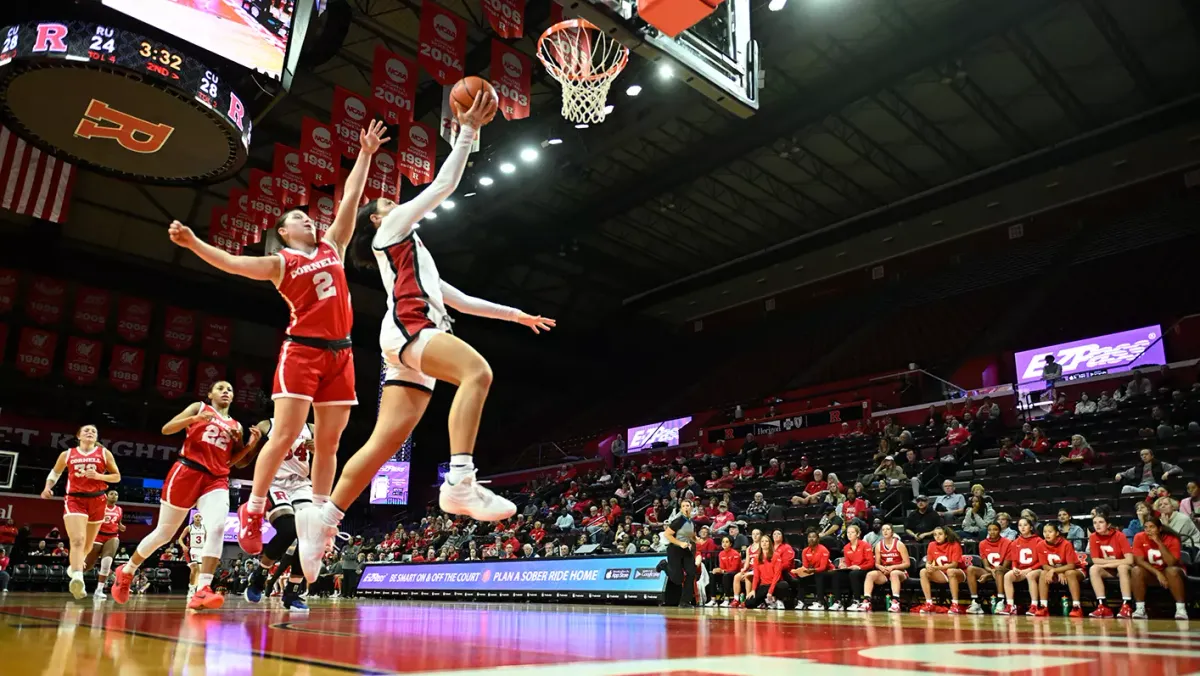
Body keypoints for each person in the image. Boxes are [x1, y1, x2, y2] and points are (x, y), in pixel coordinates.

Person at [295, 98, 560, 581]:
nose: (396, 204)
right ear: (377, 218)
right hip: (411, 329)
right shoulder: (391, 230)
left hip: (405, 340)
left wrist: (517, 316)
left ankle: (324, 521)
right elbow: (443, 184)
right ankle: (460, 479)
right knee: (477, 373)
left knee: (383, 442)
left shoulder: (414, 251)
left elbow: (459, 300)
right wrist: (466, 131)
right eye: (387, 203)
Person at [167, 128, 389, 558]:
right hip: (302, 351)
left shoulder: (333, 245)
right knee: (285, 433)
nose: (308, 219)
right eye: (298, 219)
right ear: (285, 233)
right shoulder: (279, 263)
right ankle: (253, 509)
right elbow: (230, 263)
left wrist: (365, 155)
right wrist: (194, 242)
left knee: (330, 443)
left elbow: (350, 200)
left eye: (309, 217)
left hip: (341, 354)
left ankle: (322, 519)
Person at [110, 382, 250, 609]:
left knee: (216, 528)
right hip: (187, 470)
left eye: (230, 390)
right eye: (221, 388)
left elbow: (235, 461)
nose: (226, 392)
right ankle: (126, 571)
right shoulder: (199, 407)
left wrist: (245, 443)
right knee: (164, 533)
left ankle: (203, 588)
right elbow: (167, 428)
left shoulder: (236, 425)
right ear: (210, 394)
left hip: (216, 478)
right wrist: (194, 420)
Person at [233, 413, 319, 611]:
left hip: (301, 484)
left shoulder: (313, 428)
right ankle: (258, 579)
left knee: (309, 535)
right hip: (274, 483)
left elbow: (329, 455)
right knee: (289, 530)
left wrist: (319, 449)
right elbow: (241, 463)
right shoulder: (267, 424)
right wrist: (252, 443)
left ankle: (292, 593)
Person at [40, 424, 122, 600]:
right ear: (78, 435)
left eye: (94, 431)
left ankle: (74, 568)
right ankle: (78, 578)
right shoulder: (67, 454)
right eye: (86, 430)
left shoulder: (104, 453)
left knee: (88, 545)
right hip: (75, 499)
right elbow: (55, 473)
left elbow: (117, 476)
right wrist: (47, 487)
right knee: (78, 540)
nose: (90, 432)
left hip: (98, 499)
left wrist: (99, 476)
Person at [1130, 516, 1188, 619]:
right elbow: (1139, 561)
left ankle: (1181, 609)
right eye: (1146, 527)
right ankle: (1140, 609)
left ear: (1160, 529)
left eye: (1152, 527)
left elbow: (1171, 563)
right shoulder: (1139, 537)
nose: (1148, 530)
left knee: (1171, 571)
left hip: (1172, 573)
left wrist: (1158, 542)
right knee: (1136, 570)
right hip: (1152, 573)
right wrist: (1158, 573)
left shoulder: (1172, 539)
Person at [1087, 512, 1134, 618]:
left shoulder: (1119, 536)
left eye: (1101, 522)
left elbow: (1130, 560)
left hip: (1123, 568)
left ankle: (1127, 606)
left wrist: (1110, 564)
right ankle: (1102, 606)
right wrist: (1110, 564)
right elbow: (1095, 560)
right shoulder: (1093, 537)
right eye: (1094, 523)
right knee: (1094, 569)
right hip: (1110, 568)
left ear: (1108, 525)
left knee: (1122, 568)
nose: (1097, 525)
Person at [81, 489, 124, 599]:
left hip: (112, 536)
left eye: (116, 494)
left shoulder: (119, 509)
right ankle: (77, 580)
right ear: (107, 496)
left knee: (107, 563)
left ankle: (99, 590)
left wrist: (121, 526)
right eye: (112, 494)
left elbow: (119, 523)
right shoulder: (99, 507)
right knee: (88, 565)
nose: (114, 496)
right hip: (97, 535)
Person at [1036, 522, 1084, 617]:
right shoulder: (1040, 545)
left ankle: (1077, 607)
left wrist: (1055, 571)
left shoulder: (1066, 544)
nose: (1047, 534)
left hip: (1076, 571)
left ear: (1057, 533)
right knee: (1043, 573)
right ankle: (1043, 606)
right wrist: (1057, 572)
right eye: (1045, 532)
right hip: (1056, 571)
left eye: (1050, 531)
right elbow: (1045, 566)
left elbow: (1071, 566)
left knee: (1070, 573)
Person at [862, 524, 911, 612]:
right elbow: (877, 563)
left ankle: (896, 602)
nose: (885, 531)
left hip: (900, 572)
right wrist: (880, 567)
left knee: (894, 573)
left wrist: (893, 567)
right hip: (885, 572)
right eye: (883, 529)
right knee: (870, 574)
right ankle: (867, 601)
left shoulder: (899, 544)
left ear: (892, 532)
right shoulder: (878, 545)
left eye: (888, 529)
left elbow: (907, 563)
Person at [999, 517, 1043, 616]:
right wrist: (1014, 568)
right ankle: (1010, 605)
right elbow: (1014, 560)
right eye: (1020, 525)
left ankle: (1034, 605)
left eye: (1025, 525)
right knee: (1007, 576)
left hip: (1036, 569)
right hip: (1021, 570)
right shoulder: (1015, 542)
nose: (1022, 527)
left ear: (1031, 527)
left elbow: (1041, 561)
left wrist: (1029, 569)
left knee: (1030, 575)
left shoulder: (1038, 540)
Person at [965, 522, 1010, 614]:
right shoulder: (982, 543)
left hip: (1004, 570)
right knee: (970, 569)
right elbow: (986, 566)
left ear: (1000, 531)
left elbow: (1006, 566)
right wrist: (990, 572)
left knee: (999, 569)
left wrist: (988, 575)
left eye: (995, 529)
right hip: (990, 570)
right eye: (989, 530)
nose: (992, 532)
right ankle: (975, 602)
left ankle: (1000, 601)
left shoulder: (1007, 542)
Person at [663, 498, 698, 608]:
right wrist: (680, 543)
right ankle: (663, 565)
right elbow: (667, 535)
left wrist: (697, 540)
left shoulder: (691, 522)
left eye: (688, 505)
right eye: (683, 506)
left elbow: (692, 536)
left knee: (691, 573)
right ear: (681, 509)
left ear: (691, 508)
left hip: (686, 550)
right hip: (674, 549)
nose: (686, 508)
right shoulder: (678, 521)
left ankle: (685, 601)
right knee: (677, 579)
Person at [789, 529, 833, 610]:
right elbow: (805, 566)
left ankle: (820, 602)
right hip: (814, 572)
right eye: (809, 537)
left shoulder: (823, 550)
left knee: (819, 575)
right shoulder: (805, 551)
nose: (811, 539)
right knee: (801, 577)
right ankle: (801, 601)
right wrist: (798, 571)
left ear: (818, 539)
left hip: (828, 573)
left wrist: (811, 570)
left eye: (814, 537)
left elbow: (823, 568)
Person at [836, 524, 874, 612]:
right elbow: (849, 564)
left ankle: (856, 601)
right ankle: (838, 602)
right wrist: (844, 566)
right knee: (837, 574)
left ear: (857, 534)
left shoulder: (865, 545)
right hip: (853, 570)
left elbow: (871, 563)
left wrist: (859, 567)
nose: (849, 534)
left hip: (865, 570)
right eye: (848, 532)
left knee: (854, 574)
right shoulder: (846, 547)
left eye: (852, 532)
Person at [1115, 448, 1183, 494]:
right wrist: (1119, 475)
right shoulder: (1138, 468)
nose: (1144, 456)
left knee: (1157, 489)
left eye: (1146, 454)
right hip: (1141, 489)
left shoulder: (1160, 464)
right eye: (1142, 455)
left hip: (1155, 487)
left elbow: (1178, 469)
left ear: (1152, 456)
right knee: (1126, 488)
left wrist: (1167, 473)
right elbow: (1125, 473)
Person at [745, 534, 786, 610]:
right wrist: (753, 590)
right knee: (748, 603)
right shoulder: (757, 558)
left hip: (775, 583)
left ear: (770, 544)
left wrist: (770, 591)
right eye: (762, 541)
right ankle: (765, 602)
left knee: (783, 585)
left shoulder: (776, 556)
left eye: (766, 541)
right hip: (764, 585)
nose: (764, 543)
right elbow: (756, 576)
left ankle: (778, 600)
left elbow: (777, 575)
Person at [176, 513, 206, 601]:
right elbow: (180, 538)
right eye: (196, 516)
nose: (198, 518)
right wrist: (183, 546)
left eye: (199, 516)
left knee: (200, 571)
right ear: (193, 518)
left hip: (202, 550)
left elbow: (207, 539)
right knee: (194, 569)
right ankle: (191, 590)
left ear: (202, 518)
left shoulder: (204, 528)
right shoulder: (189, 527)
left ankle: (198, 589)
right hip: (192, 549)